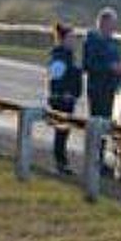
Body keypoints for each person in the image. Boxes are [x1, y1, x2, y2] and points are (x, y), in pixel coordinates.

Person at [46, 21, 82, 175]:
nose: (73, 41)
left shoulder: (68, 56)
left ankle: (62, 162)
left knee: (64, 132)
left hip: (68, 99)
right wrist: (64, 92)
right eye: (71, 38)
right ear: (63, 39)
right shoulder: (60, 56)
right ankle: (60, 163)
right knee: (61, 132)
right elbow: (55, 78)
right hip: (62, 100)